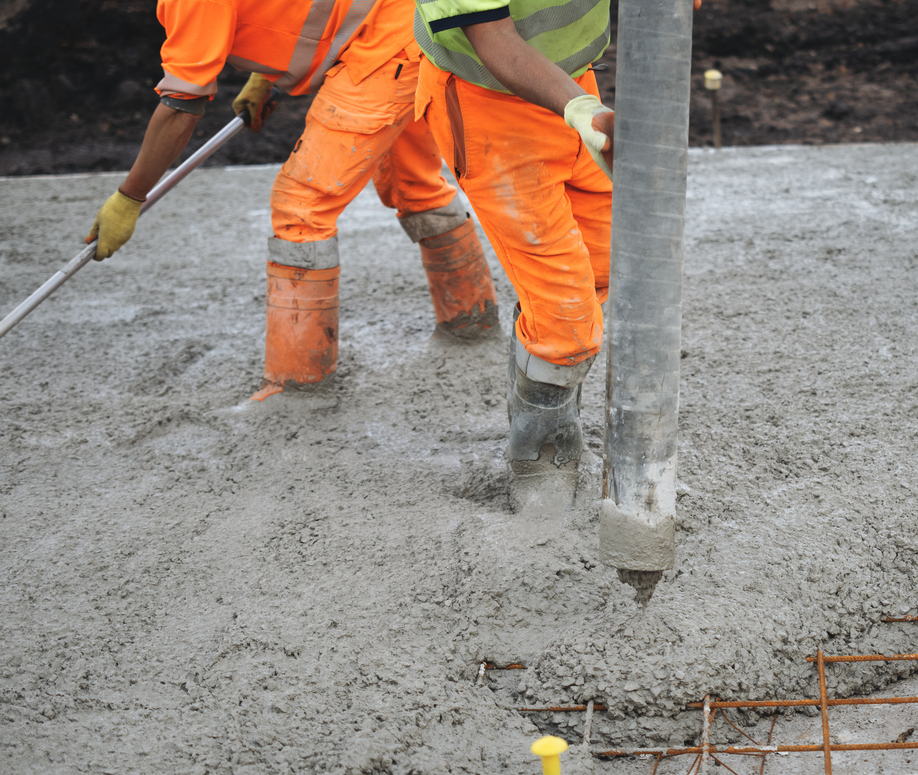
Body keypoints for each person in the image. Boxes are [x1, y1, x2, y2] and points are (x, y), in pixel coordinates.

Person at [85, 0, 498, 402]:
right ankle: (471, 319)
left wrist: (129, 198)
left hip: (383, 48)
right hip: (410, 23)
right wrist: (263, 79)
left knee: (302, 207)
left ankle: (298, 382)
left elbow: (181, 105)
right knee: (413, 182)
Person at [413, 0, 618, 488]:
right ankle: (541, 472)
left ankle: (554, 416)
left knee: (602, 270)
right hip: (489, 101)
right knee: (565, 317)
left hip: (570, 82)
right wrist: (581, 109)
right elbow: (494, 39)